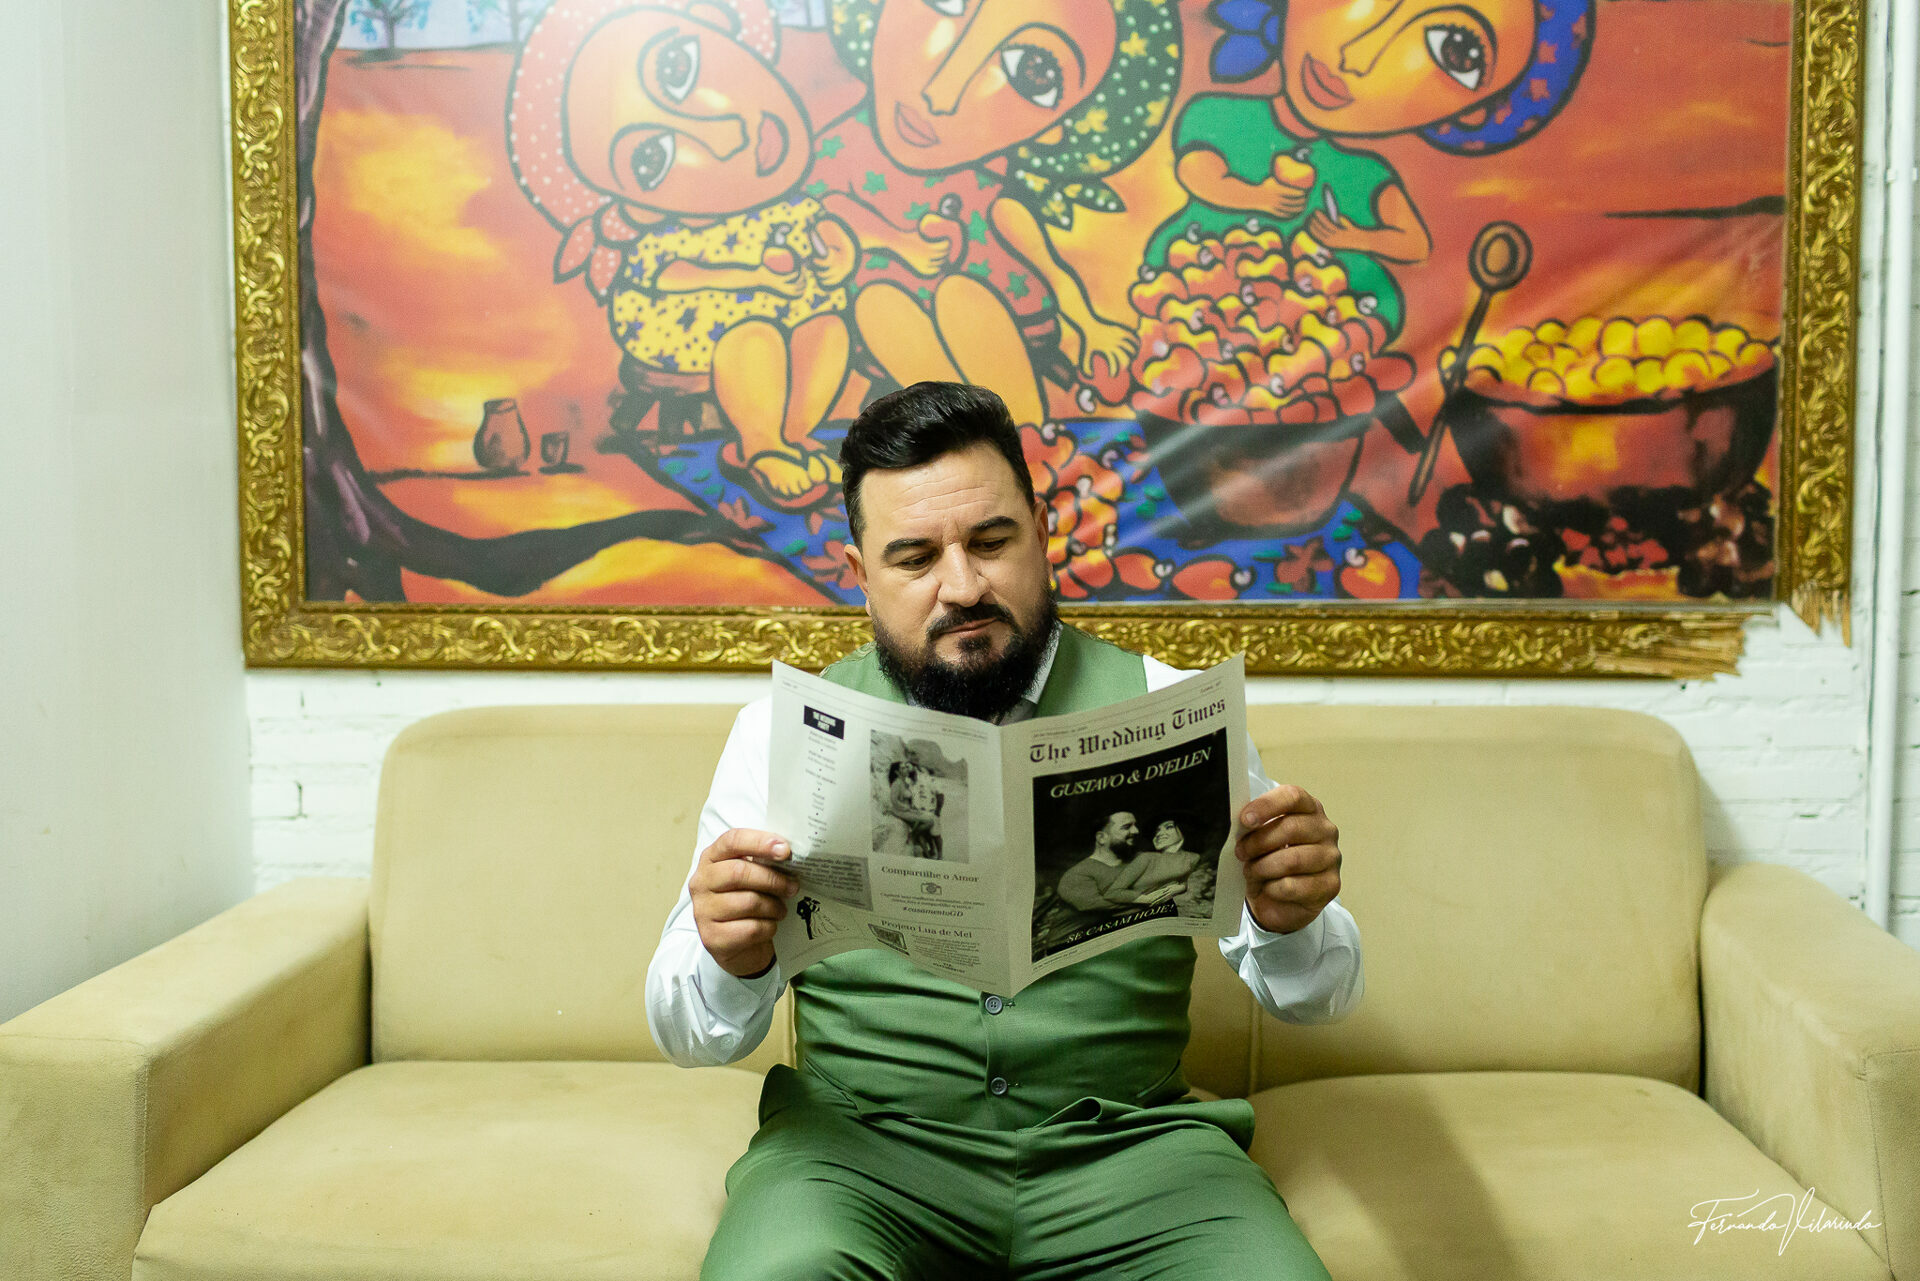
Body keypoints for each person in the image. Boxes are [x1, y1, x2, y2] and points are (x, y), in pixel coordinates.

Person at [646, 381, 1362, 1279]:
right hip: (858, 1156)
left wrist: (1287, 916)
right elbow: (686, 1028)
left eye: (991, 541)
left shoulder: (1171, 705)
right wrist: (731, 952)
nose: (964, 586)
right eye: (915, 557)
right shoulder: (782, 735)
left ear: (1042, 530)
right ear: (860, 572)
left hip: (1134, 1156)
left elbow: (1318, 997)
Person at [874, 758, 944, 860]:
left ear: (915, 768)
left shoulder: (913, 781)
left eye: (907, 767)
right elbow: (895, 800)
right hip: (905, 811)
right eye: (904, 768)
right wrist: (906, 808)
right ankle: (914, 837)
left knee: (934, 833)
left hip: (925, 810)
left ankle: (934, 854)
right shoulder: (901, 783)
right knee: (928, 825)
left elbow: (940, 794)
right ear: (897, 772)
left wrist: (937, 811)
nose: (906, 769)